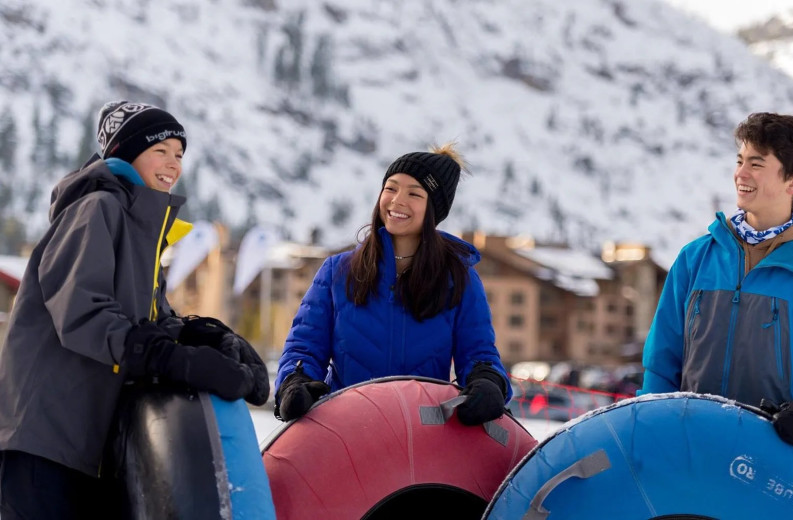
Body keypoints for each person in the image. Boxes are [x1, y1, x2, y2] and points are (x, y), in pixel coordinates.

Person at [0, 101, 269, 519]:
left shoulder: (141, 228)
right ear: (126, 153)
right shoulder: (96, 209)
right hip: (44, 436)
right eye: (160, 150)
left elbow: (150, 318)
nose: (173, 164)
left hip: (87, 442)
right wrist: (162, 354)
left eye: (179, 154)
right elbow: (81, 312)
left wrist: (203, 336)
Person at [274, 143, 511, 426]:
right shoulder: (337, 272)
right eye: (391, 188)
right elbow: (304, 347)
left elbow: (479, 352)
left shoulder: (458, 278)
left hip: (422, 435)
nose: (397, 200)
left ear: (433, 209)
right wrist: (294, 382)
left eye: (414, 193)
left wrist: (488, 381)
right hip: (342, 431)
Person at [639, 112, 793, 445]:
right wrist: (651, 430)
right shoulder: (695, 258)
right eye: (740, 161)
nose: (740, 173)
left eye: (757, 164)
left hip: (778, 457)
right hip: (690, 446)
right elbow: (661, 362)